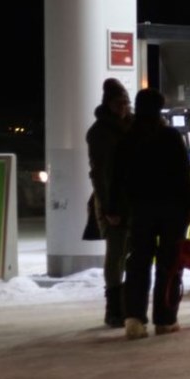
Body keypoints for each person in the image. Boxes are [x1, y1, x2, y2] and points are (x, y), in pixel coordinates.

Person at [107, 88, 190, 340]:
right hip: (172, 210)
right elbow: (183, 174)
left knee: (138, 263)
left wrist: (113, 209)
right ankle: (165, 320)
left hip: (140, 209)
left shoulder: (128, 138)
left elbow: (116, 178)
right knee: (169, 265)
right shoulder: (170, 137)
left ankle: (134, 320)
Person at [85, 78, 133, 328]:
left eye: (126, 102)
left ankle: (126, 305)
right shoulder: (100, 132)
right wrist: (109, 207)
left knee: (130, 254)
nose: (123, 108)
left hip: (134, 200)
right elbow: (100, 173)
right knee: (116, 255)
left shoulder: (133, 127)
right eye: (119, 103)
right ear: (109, 104)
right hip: (113, 201)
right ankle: (114, 308)